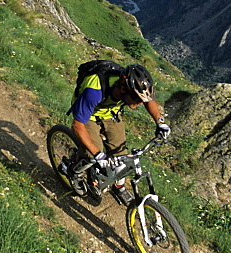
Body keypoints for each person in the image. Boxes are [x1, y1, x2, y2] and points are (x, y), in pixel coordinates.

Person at [69, 62, 170, 206]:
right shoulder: (94, 91)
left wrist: (160, 122)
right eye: (136, 99)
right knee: (91, 154)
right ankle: (75, 171)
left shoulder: (130, 87)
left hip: (110, 113)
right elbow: (77, 126)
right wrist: (98, 154)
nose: (139, 104)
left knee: (121, 154)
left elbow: (148, 100)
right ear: (123, 89)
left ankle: (118, 186)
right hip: (89, 115)